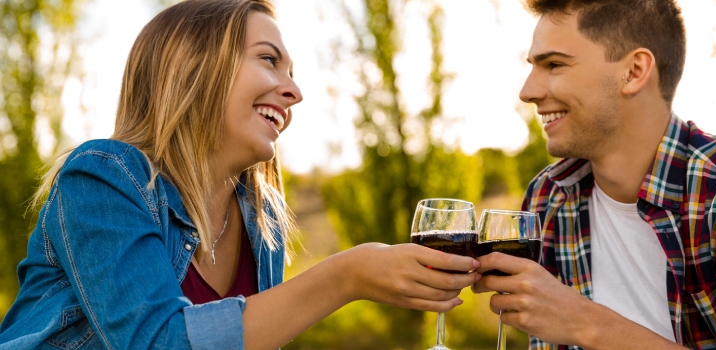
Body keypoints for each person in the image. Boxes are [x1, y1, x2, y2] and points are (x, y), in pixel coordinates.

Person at [0, 1, 480, 349]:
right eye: (270, 60)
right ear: (194, 68)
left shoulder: (261, 219)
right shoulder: (104, 179)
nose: (293, 91)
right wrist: (345, 277)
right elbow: (157, 343)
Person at [472, 0, 716, 349]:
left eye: (554, 64)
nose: (528, 92)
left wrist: (587, 324)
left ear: (634, 71)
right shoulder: (549, 196)